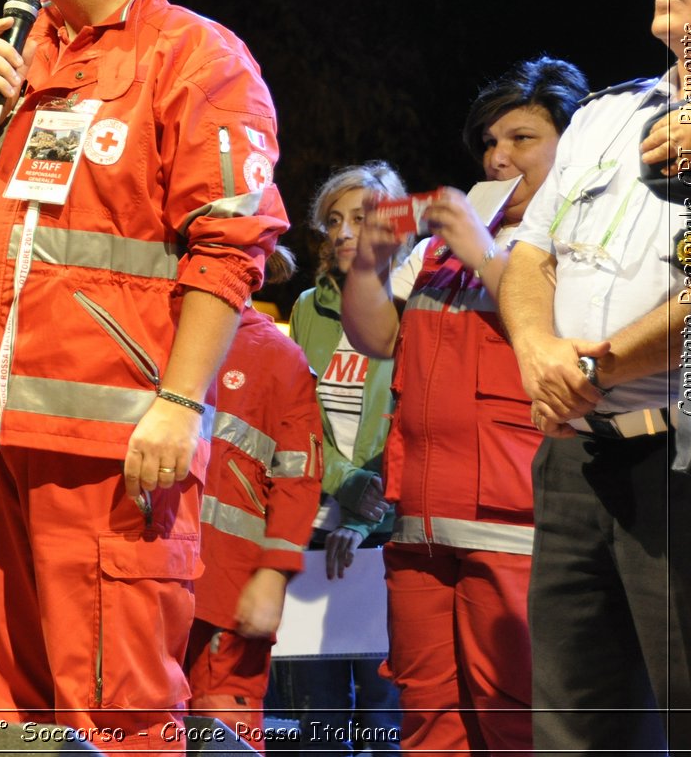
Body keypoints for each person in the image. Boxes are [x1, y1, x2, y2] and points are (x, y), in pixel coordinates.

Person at [0, 0, 287, 748]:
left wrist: (180, 403)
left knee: (120, 713)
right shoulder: (15, 61)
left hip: (112, 456)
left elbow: (230, 246)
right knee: (3, 720)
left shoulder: (196, 58)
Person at [499, 0, 691, 755]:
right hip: (579, 461)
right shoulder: (606, 115)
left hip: (690, 464)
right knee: (575, 733)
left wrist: (594, 364)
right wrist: (542, 350)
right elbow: (530, 256)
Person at [340, 58, 587, 754]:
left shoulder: (580, 245)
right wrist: (370, 260)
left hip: (516, 531)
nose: (498, 156)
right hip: (420, 529)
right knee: (428, 719)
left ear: (573, 145)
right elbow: (377, 336)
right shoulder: (437, 255)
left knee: (512, 719)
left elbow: (564, 333)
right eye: (489, 141)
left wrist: (484, 253)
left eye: (522, 138)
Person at [270, 162, 404, 756]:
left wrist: (364, 512)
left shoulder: (418, 305)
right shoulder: (305, 309)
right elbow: (297, 423)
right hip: (314, 525)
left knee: (385, 712)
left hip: (386, 533)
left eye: (362, 218)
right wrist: (343, 485)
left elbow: (413, 426)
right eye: (334, 222)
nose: (345, 232)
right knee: (315, 714)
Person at [184, 247, 320, 751]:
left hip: (228, 593)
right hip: (143, 579)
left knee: (224, 735)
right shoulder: (151, 326)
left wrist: (273, 575)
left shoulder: (280, 357)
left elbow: (298, 476)